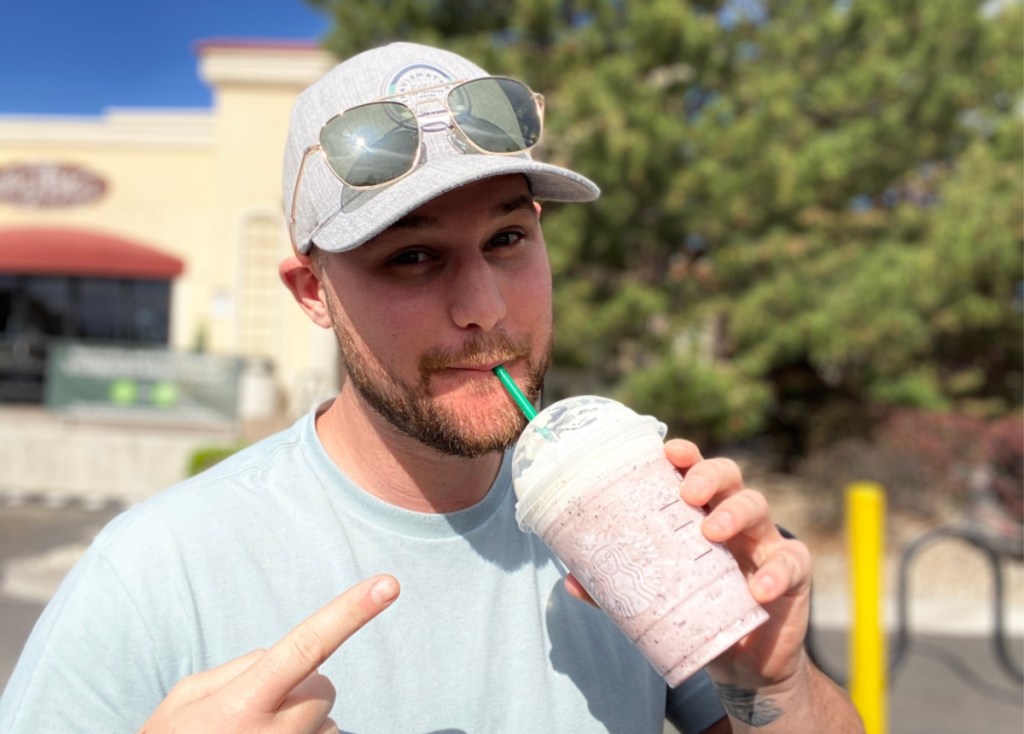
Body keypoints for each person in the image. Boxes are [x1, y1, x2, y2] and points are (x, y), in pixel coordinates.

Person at [0, 42, 864, 733]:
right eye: (412, 257)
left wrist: (774, 684)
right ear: (313, 294)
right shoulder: (157, 571)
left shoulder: (632, 525)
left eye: (507, 239)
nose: (482, 310)